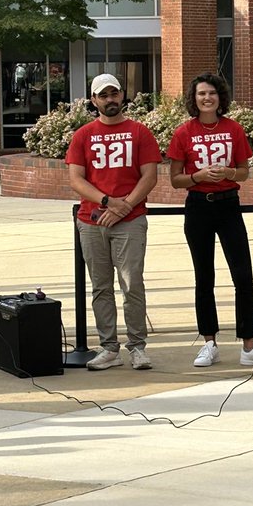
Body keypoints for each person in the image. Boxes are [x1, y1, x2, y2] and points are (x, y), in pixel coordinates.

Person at [167, 73, 253, 369]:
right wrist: (199, 176)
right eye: (201, 94)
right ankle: (209, 342)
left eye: (212, 93)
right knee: (204, 277)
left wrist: (228, 173)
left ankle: (249, 345)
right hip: (198, 207)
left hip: (229, 204)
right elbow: (176, 180)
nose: (207, 98)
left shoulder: (233, 129)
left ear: (220, 97)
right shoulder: (183, 133)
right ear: (193, 99)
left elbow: (244, 171)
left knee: (243, 276)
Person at [66, 73, 160, 370]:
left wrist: (124, 206)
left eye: (114, 93)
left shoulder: (139, 132)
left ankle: (137, 347)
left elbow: (150, 175)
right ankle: (109, 348)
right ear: (93, 100)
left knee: (132, 283)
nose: (110, 99)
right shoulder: (83, 135)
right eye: (103, 95)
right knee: (101, 287)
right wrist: (107, 201)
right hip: (92, 221)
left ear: (122, 95)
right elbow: (76, 179)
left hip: (130, 219)